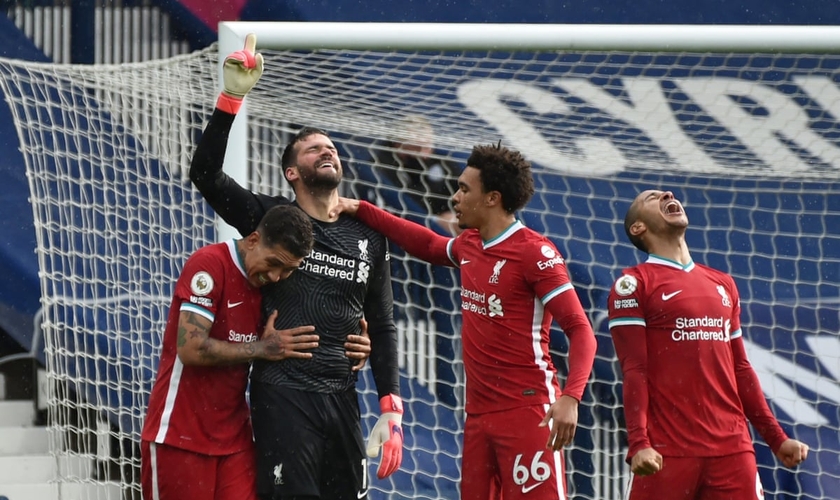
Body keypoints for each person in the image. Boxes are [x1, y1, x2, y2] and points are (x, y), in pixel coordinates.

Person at [188, 34, 402, 500]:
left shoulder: (369, 234)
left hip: (344, 396)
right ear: (291, 172)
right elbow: (205, 174)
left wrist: (390, 405)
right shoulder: (273, 221)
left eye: (331, 147)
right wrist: (231, 99)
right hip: (284, 395)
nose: (327, 151)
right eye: (312, 149)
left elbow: (382, 323)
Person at [331, 143, 598, 500]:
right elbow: (427, 244)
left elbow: (582, 330)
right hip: (477, 415)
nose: (455, 197)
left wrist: (571, 397)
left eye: (464, 189)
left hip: (528, 410)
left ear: (492, 198)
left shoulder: (535, 252)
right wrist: (361, 209)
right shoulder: (470, 244)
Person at [607, 189, 810, 499]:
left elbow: (740, 369)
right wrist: (639, 443)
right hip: (667, 451)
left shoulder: (723, 283)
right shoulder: (633, 284)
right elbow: (634, 369)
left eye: (666, 193)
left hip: (732, 449)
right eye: (651, 197)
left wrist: (776, 438)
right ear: (638, 228)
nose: (667, 194)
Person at [140, 204, 321, 500]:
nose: (277, 276)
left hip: (235, 442)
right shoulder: (209, 265)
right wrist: (261, 348)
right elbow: (191, 349)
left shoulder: (269, 287)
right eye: (275, 263)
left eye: (288, 270)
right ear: (252, 240)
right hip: (179, 437)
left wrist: (359, 343)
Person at [354, 114, 460, 235]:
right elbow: (399, 206)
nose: (426, 153)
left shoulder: (441, 161)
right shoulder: (380, 168)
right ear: (398, 144)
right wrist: (435, 221)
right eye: (418, 147)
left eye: (429, 146)